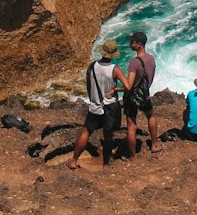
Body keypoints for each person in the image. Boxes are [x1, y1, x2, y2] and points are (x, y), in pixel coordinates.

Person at [67, 38, 128, 168]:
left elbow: (89, 85)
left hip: (95, 105)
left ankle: (73, 160)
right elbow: (128, 86)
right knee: (108, 135)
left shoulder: (92, 66)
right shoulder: (115, 69)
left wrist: (93, 99)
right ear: (113, 54)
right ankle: (106, 163)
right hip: (110, 107)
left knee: (87, 131)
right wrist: (116, 89)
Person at [124, 30, 164, 158]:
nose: (130, 44)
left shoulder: (134, 63)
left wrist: (117, 89)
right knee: (150, 116)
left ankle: (131, 156)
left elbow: (129, 85)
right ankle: (154, 144)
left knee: (131, 126)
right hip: (145, 93)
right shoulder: (151, 58)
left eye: (133, 42)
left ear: (139, 44)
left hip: (132, 97)